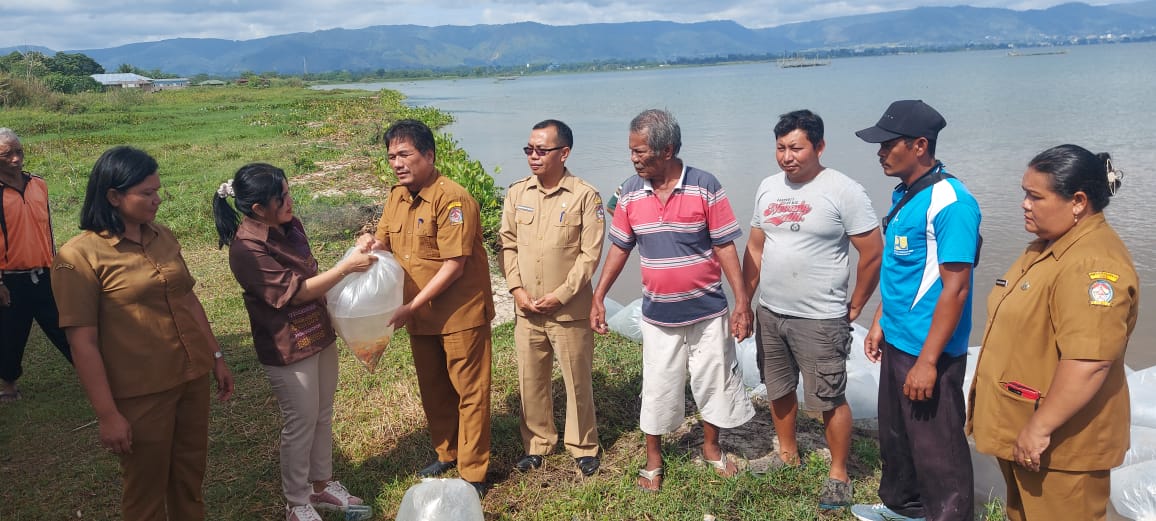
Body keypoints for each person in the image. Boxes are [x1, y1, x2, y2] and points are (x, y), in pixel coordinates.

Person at [51, 146, 234, 521]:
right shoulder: (79, 257)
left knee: (189, 480)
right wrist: (107, 415)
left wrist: (215, 356)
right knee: (145, 494)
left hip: (190, 377)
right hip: (141, 394)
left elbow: (188, 299)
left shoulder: (161, 235)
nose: (157, 200)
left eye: (158, 190)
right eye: (146, 193)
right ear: (114, 196)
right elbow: (81, 342)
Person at [967, 145, 1136, 521]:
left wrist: (1039, 428)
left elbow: (1089, 362)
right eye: (1024, 193)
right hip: (1029, 434)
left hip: (1062, 445)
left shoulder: (1091, 264)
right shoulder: (1051, 247)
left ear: (1078, 201)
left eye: (1035, 196)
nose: (1025, 204)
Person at [590, 108, 755, 492]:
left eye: (640, 151)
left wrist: (743, 303)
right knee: (659, 384)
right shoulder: (629, 191)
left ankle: (711, 448)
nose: (633, 158)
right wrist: (599, 295)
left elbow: (726, 247)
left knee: (713, 380)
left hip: (708, 309)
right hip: (658, 314)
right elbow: (619, 248)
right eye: (631, 150)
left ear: (667, 150)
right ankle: (654, 459)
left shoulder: (705, 185)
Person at [213, 163, 376, 521]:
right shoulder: (246, 248)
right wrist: (348, 267)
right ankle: (297, 501)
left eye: (288, 191)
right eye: (281, 197)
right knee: (300, 420)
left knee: (322, 413)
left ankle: (322, 485)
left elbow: (313, 276)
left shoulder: (288, 225)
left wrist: (354, 255)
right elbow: (296, 293)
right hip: (287, 343)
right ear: (258, 208)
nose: (290, 200)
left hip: (317, 330)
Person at [740, 110, 882, 510]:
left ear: (819, 147)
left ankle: (838, 473)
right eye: (781, 148)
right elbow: (754, 246)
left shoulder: (843, 190)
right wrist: (745, 303)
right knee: (779, 386)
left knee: (828, 396)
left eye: (796, 148)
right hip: (771, 311)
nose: (787, 156)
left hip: (820, 317)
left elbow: (872, 253)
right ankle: (787, 453)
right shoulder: (768, 188)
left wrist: (857, 302)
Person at [850, 100, 980, 521]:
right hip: (899, 341)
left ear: (920, 145)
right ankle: (902, 509)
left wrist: (928, 362)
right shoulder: (906, 193)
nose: (880, 152)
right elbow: (904, 271)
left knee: (938, 450)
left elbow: (955, 289)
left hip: (931, 351)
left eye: (889, 144)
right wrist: (879, 322)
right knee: (898, 436)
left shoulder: (952, 203)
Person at [361, 119, 495, 496]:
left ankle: (473, 472)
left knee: (470, 392)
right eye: (391, 156)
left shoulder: (452, 199)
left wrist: (409, 307)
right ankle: (447, 452)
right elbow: (385, 241)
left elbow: (455, 265)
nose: (397, 163)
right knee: (434, 389)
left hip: (459, 313)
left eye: (405, 154)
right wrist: (369, 242)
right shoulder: (396, 197)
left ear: (429, 155)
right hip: (419, 315)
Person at [500, 119, 605, 476]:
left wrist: (560, 296)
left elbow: (589, 257)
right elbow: (507, 244)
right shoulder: (517, 193)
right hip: (527, 309)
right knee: (531, 379)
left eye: (541, 150)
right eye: (529, 149)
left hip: (568, 311)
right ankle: (537, 444)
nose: (533, 156)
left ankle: (583, 445)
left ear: (564, 153)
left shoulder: (584, 196)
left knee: (577, 379)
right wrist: (517, 290)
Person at [0, 128, 73, 402]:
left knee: (66, 326)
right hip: (9, 281)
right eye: (7, 155)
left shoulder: (38, 184)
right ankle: (8, 384)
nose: (16, 159)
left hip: (45, 274)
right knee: (10, 335)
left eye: (19, 151)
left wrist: (56, 265)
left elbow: (48, 230)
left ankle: (94, 374)